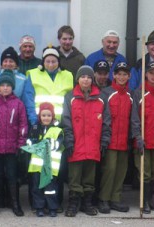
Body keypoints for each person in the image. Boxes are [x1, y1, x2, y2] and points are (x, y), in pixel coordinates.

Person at [25, 46, 74, 209]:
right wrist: (34, 122)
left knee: (55, 167)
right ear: (43, 62)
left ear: (58, 62)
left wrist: (66, 123)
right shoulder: (33, 74)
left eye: (54, 61)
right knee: (39, 166)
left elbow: (70, 100)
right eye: (48, 61)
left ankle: (55, 202)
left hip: (59, 126)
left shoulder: (68, 76)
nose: (51, 64)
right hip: (40, 125)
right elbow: (29, 100)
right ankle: (37, 203)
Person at [62, 65, 111, 217]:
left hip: (93, 145)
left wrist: (104, 141)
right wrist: (69, 141)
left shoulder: (101, 98)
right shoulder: (70, 97)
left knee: (89, 177)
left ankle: (87, 203)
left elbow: (106, 122)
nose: (86, 79)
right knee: (74, 176)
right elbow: (66, 121)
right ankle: (73, 203)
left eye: (89, 77)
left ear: (93, 79)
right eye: (83, 77)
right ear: (78, 79)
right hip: (76, 145)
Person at [0, 72, 28, 217]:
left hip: (12, 148)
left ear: (13, 87)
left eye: (8, 85)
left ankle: (15, 203)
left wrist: (21, 144)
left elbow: (23, 124)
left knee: (12, 176)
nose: (5, 88)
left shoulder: (18, 104)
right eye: (2, 85)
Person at [130, 62, 154, 214]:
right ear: (146, 74)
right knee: (144, 171)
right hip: (143, 140)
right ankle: (144, 201)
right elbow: (134, 118)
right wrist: (138, 137)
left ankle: (150, 199)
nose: (153, 76)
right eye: (151, 73)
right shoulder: (139, 93)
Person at [98, 62, 132, 214]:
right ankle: (104, 198)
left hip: (124, 140)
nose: (122, 77)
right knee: (109, 170)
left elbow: (134, 118)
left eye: (125, 74)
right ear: (114, 75)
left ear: (129, 76)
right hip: (110, 139)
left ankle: (115, 198)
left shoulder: (131, 95)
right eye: (119, 74)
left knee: (121, 171)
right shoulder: (106, 93)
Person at [26, 102, 63, 217]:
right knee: (37, 188)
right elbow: (29, 143)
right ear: (39, 116)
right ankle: (39, 207)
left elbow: (56, 145)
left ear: (53, 116)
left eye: (48, 115)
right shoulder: (35, 128)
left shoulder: (57, 130)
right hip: (37, 166)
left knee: (51, 188)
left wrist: (40, 143)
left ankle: (52, 207)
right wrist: (36, 143)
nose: (46, 118)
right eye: (43, 115)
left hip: (50, 166)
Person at [0, 46, 36, 124]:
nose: (8, 64)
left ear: (16, 64)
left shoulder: (23, 80)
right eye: (5, 61)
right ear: (1, 63)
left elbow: (27, 102)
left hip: (15, 120)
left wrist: (30, 121)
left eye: (11, 61)